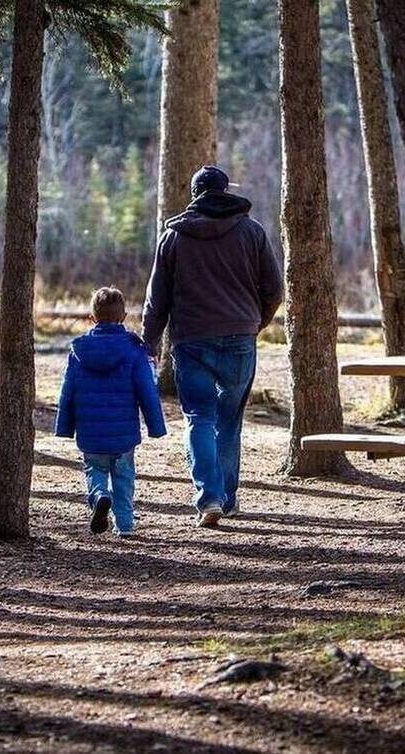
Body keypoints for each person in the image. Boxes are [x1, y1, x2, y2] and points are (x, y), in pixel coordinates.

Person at [142, 165, 284, 528]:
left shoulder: (173, 238)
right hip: (240, 338)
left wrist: (150, 341)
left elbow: (156, 299)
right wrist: (256, 322)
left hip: (191, 341)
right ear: (224, 191)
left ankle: (210, 499)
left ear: (195, 195)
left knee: (199, 419)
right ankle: (229, 498)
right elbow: (273, 290)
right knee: (229, 423)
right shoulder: (251, 232)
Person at [56, 287, 167, 536]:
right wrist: (156, 426)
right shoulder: (134, 350)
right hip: (124, 434)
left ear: (92, 318)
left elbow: (68, 390)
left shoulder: (79, 352)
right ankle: (125, 525)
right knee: (124, 478)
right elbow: (147, 390)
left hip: (90, 432)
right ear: (124, 316)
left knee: (94, 469)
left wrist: (64, 427)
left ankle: (98, 496)